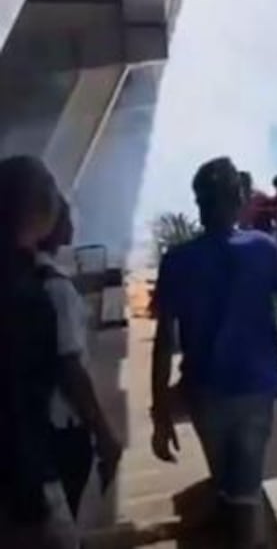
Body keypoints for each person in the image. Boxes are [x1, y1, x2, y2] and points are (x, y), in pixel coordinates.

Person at [150, 157, 277, 549]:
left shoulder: (177, 261)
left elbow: (164, 341)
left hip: (204, 392)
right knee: (245, 492)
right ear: (239, 199)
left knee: (227, 484)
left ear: (199, 203)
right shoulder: (261, 248)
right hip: (255, 387)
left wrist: (160, 412)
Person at [0, 156, 78, 549]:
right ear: (38, 209)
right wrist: (29, 490)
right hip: (23, 481)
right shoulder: (29, 291)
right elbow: (17, 398)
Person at [36, 193, 122, 519]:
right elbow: (70, 368)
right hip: (62, 428)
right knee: (64, 515)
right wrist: (103, 432)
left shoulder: (23, 278)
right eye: (68, 217)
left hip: (29, 423)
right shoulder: (57, 289)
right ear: (53, 225)